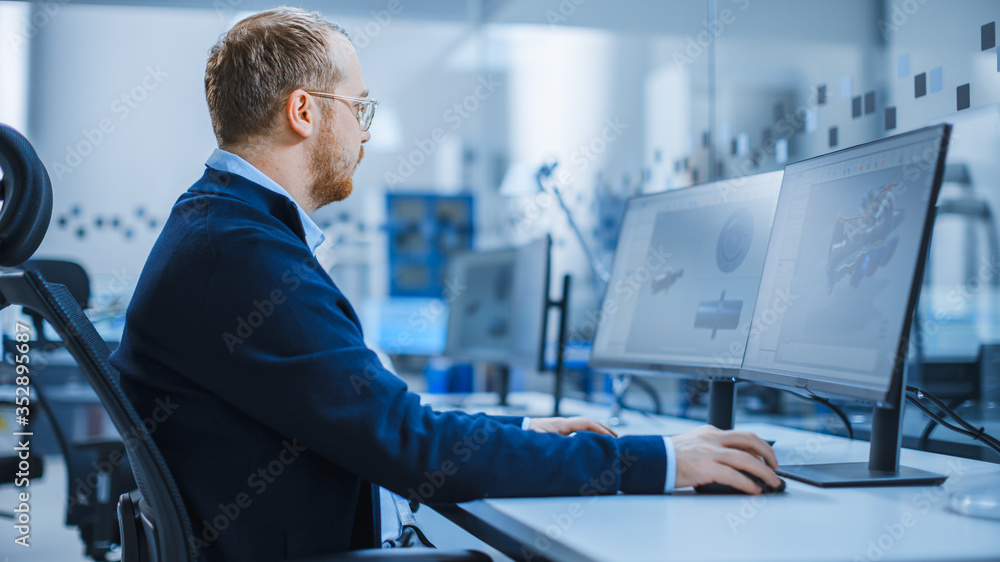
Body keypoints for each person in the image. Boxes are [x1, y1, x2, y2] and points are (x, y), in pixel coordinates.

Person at [110, 7, 780, 561]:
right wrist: (656, 461)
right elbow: (410, 445)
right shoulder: (241, 254)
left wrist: (526, 431)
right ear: (305, 112)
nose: (365, 135)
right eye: (360, 110)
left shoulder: (225, 230)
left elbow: (380, 424)